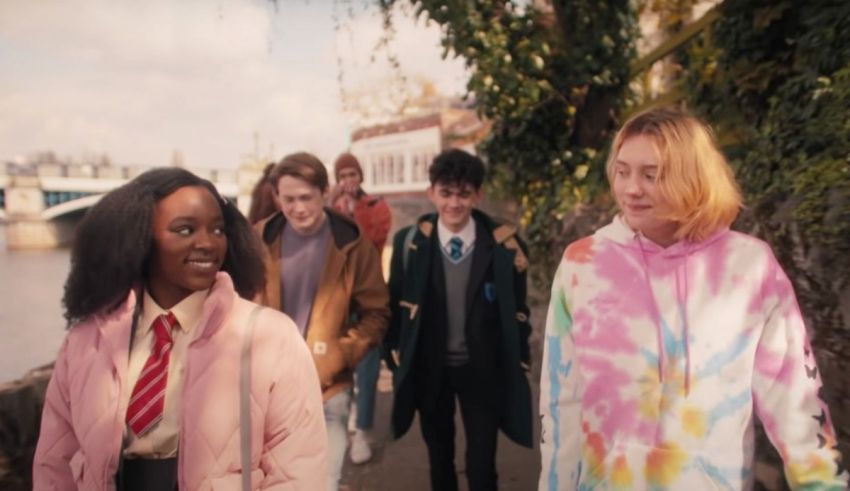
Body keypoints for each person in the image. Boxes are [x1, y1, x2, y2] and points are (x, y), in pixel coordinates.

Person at [539, 107, 849, 490]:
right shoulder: (581, 265)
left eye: (651, 175)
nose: (631, 188)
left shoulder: (749, 266)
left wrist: (823, 485)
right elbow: (561, 402)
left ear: (691, 177)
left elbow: (795, 401)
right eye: (622, 171)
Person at [33, 168, 327, 490]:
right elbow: (55, 461)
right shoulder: (85, 342)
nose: (208, 243)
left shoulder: (271, 337)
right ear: (140, 238)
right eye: (185, 230)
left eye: (217, 230)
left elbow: (299, 469)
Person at [384, 148, 533, 491]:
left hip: (482, 370)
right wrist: (395, 357)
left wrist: (518, 358)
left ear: (478, 195)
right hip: (429, 369)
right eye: (446, 193)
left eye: (464, 194)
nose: (454, 203)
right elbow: (394, 306)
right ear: (431, 193)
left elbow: (518, 311)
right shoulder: (410, 244)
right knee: (440, 457)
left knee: (482, 463)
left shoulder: (505, 246)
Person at [254, 152, 390, 490]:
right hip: (269, 388)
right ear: (276, 197)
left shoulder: (353, 244)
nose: (298, 208)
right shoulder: (258, 240)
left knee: (324, 482)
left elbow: (377, 312)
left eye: (306, 198)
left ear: (324, 192)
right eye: (288, 199)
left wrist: (340, 354)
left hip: (329, 387)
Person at [328, 152, 392, 465]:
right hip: (336, 300)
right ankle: (340, 425)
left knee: (367, 368)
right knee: (339, 366)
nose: (349, 181)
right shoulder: (329, 208)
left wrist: (353, 213)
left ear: (361, 177)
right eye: (343, 176)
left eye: (353, 175)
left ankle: (363, 432)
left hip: (368, 297)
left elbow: (371, 242)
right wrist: (331, 205)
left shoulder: (375, 206)